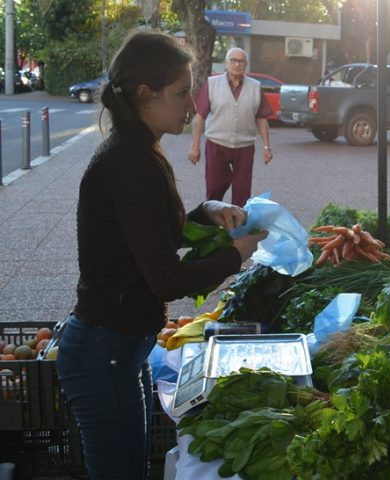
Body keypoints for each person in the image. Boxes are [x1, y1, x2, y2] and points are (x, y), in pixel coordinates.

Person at [56, 32, 267, 480]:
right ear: (144, 94)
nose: (192, 105)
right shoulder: (127, 164)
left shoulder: (140, 150)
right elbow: (167, 279)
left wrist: (208, 211)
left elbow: (151, 235)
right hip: (103, 351)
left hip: (121, 347)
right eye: (181, 93)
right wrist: (237, 254)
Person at [189, 47, 273, 208]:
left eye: (241, 61)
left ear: (246, 64)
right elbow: (199, 117)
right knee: (215, 186)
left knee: (242, 191)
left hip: (245, 146)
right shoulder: (212, 84)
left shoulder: (255, 86)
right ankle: (212, 219)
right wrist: (195, 146)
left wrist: (266, 147)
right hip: (216, 143)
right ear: (226, 63)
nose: (237, 64)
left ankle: (238, 222)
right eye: (233, 60)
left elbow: (262, 118)